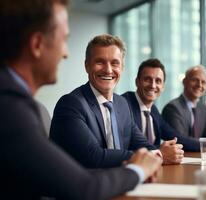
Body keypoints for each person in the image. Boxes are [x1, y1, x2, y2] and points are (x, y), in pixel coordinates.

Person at [0, 0, 162, 199]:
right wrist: (138, 169)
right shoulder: (10, 107)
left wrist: (151, 155)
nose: (66, 53)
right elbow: (85, 185)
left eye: (114, 63)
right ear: (37, 45)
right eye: (63, 39)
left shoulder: (18, 102)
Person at [50, 34, 183, 168]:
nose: (108, 70)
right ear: (87, 66)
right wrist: (158, 155)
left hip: (118, 180)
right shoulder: (71, 104)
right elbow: (93, 156)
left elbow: (141, 144)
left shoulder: (122, 103)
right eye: (100, 62)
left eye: (115, 63)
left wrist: (163, 151)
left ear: (122, 68)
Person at [122, 58, 200, 152]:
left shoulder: (153, 110)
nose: (153, 86)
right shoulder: (124, 103)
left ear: (163, 87)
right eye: (147, 79)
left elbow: (176, 137)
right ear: (137, 82)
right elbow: (134, 146)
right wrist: (162, 150)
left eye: (158, 81)